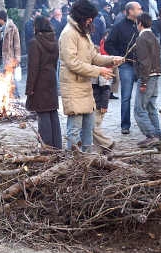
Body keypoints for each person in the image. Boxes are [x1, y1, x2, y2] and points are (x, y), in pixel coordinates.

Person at [59, 0, 124, 152]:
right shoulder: (69, 33)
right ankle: (74, 162)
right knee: (74, 130)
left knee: (88, 128)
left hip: (85, 87)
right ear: (81, 16)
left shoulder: (83, 32)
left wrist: (111, 59)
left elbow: (93, 56)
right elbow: (72, 63)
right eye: (89, 18)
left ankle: (87, 160)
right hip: (73, 87)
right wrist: (98, 71)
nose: (91, 21)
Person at [105, 1, 143, 135]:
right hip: (126, 65)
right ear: (130, 11)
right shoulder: (119, 26)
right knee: (126, 96)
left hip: (141, 65)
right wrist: (120, 57)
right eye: (138, 9)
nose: (141, 10)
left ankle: (145, 124)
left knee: (145, 96)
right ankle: (125, 125)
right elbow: (108, 44)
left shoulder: (141, 25)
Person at [26, 16, 62, 149]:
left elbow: (33, 68)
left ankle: (47, 149)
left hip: (40, 81)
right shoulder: (54, 40)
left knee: (43, 114)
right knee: (52, 113)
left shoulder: (34, 42)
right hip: (51, 79)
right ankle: (57, 147)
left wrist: (29, 89)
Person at [134, 13, 161, 148]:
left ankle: (151, 136)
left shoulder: (142, 38)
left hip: (148, 76)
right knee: (151, 106)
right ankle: (158, 135)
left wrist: (144, 82)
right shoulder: (153, 36)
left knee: (139, 109)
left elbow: (144, 62)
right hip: (155, 74)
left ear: (140, 23)